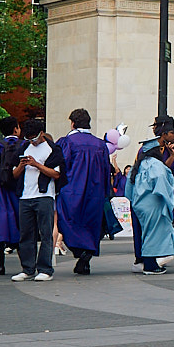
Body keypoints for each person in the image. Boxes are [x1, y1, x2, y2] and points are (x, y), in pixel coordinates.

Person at [56, 108, 110, 276]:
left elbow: (61, 166)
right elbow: (107, 169)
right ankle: (86, 255)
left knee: (67, 221)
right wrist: (106, 192)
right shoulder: (100, 144)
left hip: (72, 190)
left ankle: (80, 252)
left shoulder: (68, 142)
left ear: (72, 123)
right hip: (95, 191)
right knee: (91, 224)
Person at [13, 117, 61, 281]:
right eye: (28, 138)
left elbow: (57, 173)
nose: (31, 141)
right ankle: (27, 268)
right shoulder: (24, 147)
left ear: (41, 134)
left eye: (34, 138)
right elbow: (13, 174)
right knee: (26, 234)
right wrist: (22, 165)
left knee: (45, 233)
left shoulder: (51, 149)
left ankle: (45, 269)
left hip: (44, 195)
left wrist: (37, 165)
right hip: (25, 196)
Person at [129, 137, 174, 274]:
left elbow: (128, 189)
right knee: (153, 234)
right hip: (154, 203)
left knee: (146, 234)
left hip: (140, 205)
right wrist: (168, 201)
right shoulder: (156, 165)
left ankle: (147, 262)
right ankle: (150, 265)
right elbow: (162, 184)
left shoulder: (139, 165)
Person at [0, 115, 24, 278]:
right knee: (22, 226)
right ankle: (26, 264)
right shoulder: (24, 145)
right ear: (16, 128)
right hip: (19, 191)